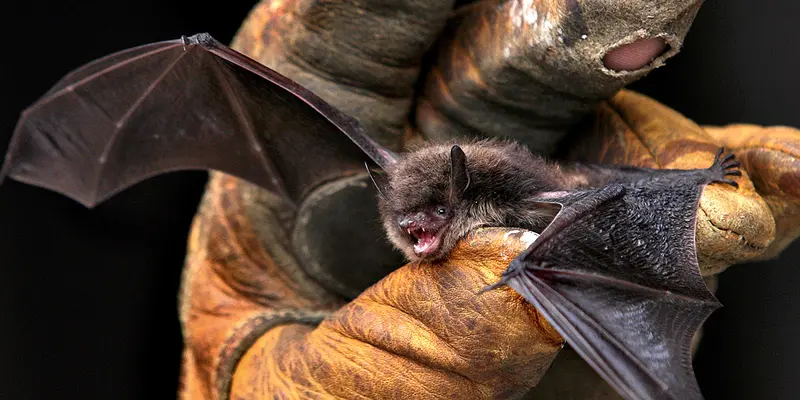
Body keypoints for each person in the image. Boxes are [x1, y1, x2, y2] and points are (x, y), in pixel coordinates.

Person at [178, 1, 800, 398]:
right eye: (409, 228)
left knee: (640, 210)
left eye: (432, 222)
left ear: (459, 201)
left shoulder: (516, 203)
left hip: (554, 196)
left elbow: (567, 198)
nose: (421, 238)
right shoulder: (400, 186)